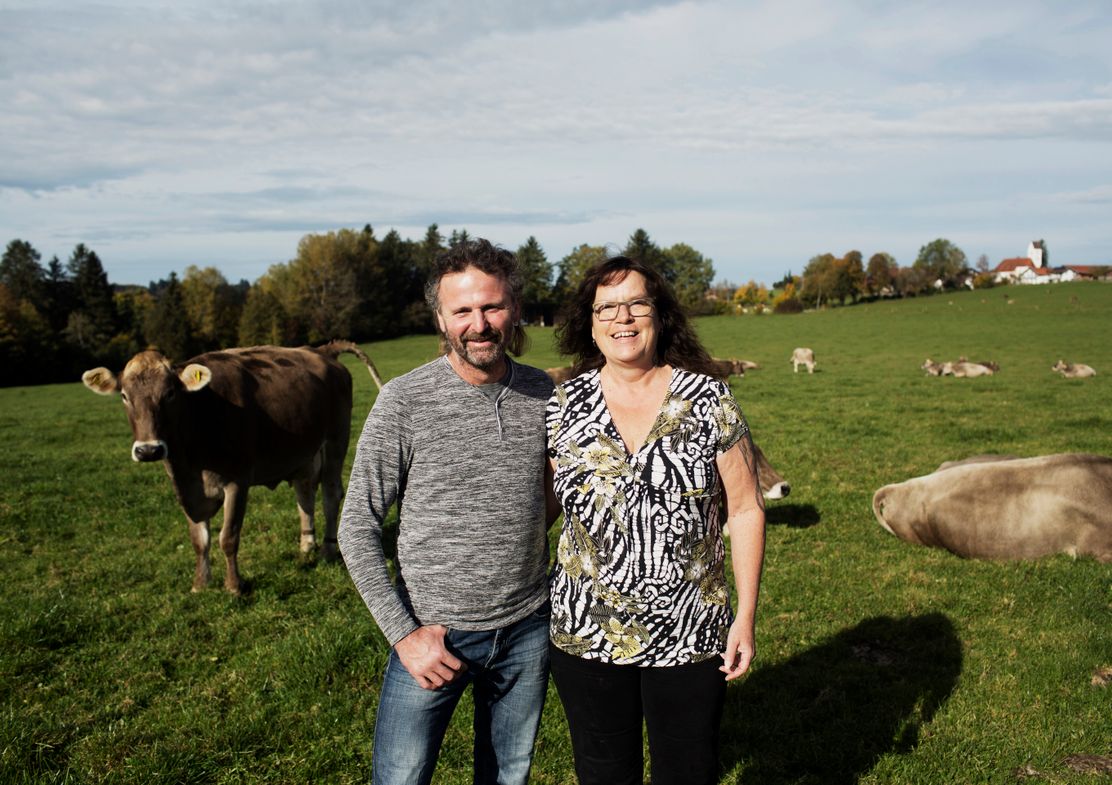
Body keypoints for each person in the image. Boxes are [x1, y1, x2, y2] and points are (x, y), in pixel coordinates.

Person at [337, 238, 555, 785]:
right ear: (441, 318)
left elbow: (549, 495)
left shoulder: (542, 392)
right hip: (434, 634)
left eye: (491, 307)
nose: (479, 324)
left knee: (509, 775)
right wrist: (404, 635)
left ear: (515, 310)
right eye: (462, 310)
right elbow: (357, 526)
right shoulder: (404, 402)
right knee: (401, 777)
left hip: (527, 630)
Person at [545, 256, 766, 785]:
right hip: (586, 631)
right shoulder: (561, 405)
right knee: (603, 774)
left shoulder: (707, 397)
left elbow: (745, 507)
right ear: (590, 324)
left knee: (688, 772)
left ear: (659, 315)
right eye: (607, 309)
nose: (623, 318)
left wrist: (746, 616)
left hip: (691, 631)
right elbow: (543, 507)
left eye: (636, 304)